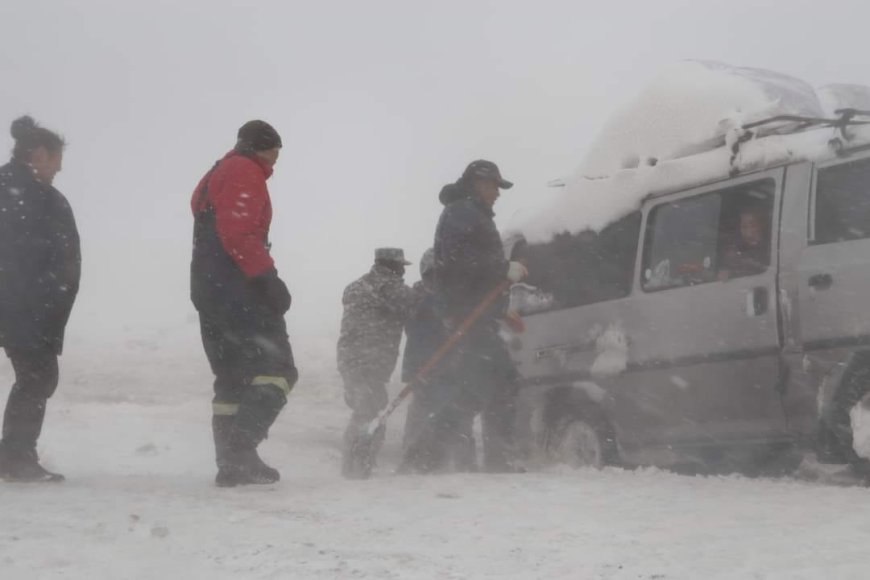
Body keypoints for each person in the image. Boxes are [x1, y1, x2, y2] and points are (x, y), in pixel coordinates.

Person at [190, 120, 298, 487]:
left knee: (232, 377)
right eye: (275, 151)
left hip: (209, 288)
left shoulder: (217, 172)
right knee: (279, 371)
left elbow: (208, 218)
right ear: (261, 147)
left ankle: (230, 462)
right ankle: (240, 451)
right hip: (239, 290)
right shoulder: (244, 170)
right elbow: (238, 231)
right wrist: (267, 280)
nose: (276, 160)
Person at [433, 160, 528, 472]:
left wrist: (502, 311)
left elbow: (474, 273)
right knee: (497, 382)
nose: (497, 194)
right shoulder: (463, 212)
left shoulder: (471, 213)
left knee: (475, 387)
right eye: (493, 186)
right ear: (477, 183)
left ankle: (428, 456)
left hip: (474, 312)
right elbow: (459, 263)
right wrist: (503, 268)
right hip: (467, 313)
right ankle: (491, 459)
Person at [0, 116, 80, 482]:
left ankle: (15, 456)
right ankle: (16, 458)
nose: (57, 169)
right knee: (37, 377)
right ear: (39, 153)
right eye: (55, 161)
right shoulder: (41, 198)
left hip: (21, 304)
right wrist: (50, 305)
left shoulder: (13, 189)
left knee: (35, 378)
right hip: (27, 308)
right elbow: (60, 262)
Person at [337, 248, 419, 478]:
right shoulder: (386, 286)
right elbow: (416, 303)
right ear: (391, 266)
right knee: (369, 412)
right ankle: (357, 466)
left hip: (350, 357)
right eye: (401, 266)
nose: (403, 272)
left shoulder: (357, 286)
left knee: (367, 408)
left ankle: (355, 464)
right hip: (369, 358)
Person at [400, 248, 477, 473]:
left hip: (443, 365)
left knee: (454, 412)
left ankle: (459, 464)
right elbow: (419, 331)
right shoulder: (423, 299)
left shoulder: (441, 297)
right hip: (429, 366)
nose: (439, 279)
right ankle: (415, 464)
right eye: (434, 274)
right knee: (427, 414)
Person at [718, 202, 770, 281]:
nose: (749, 232)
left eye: (753, 225)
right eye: (744, 227)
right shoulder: (736, 250)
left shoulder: (772, 247)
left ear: (762, 225)